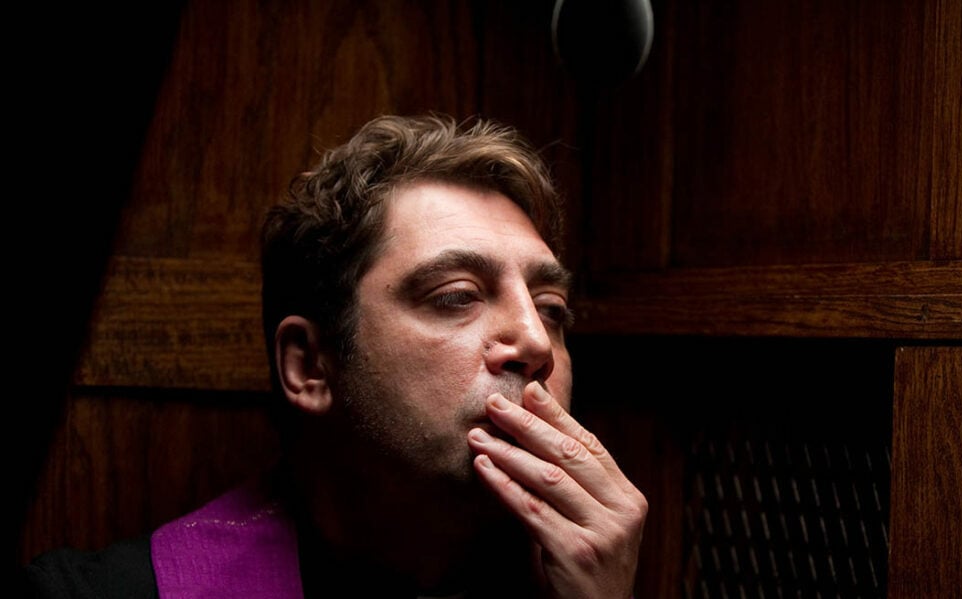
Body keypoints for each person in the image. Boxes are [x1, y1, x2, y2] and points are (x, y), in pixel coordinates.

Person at [23, 114, 647, 598]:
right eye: (457, 296)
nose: (535, 342)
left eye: (552, 308)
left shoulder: (586, 579)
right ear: (309, 366)